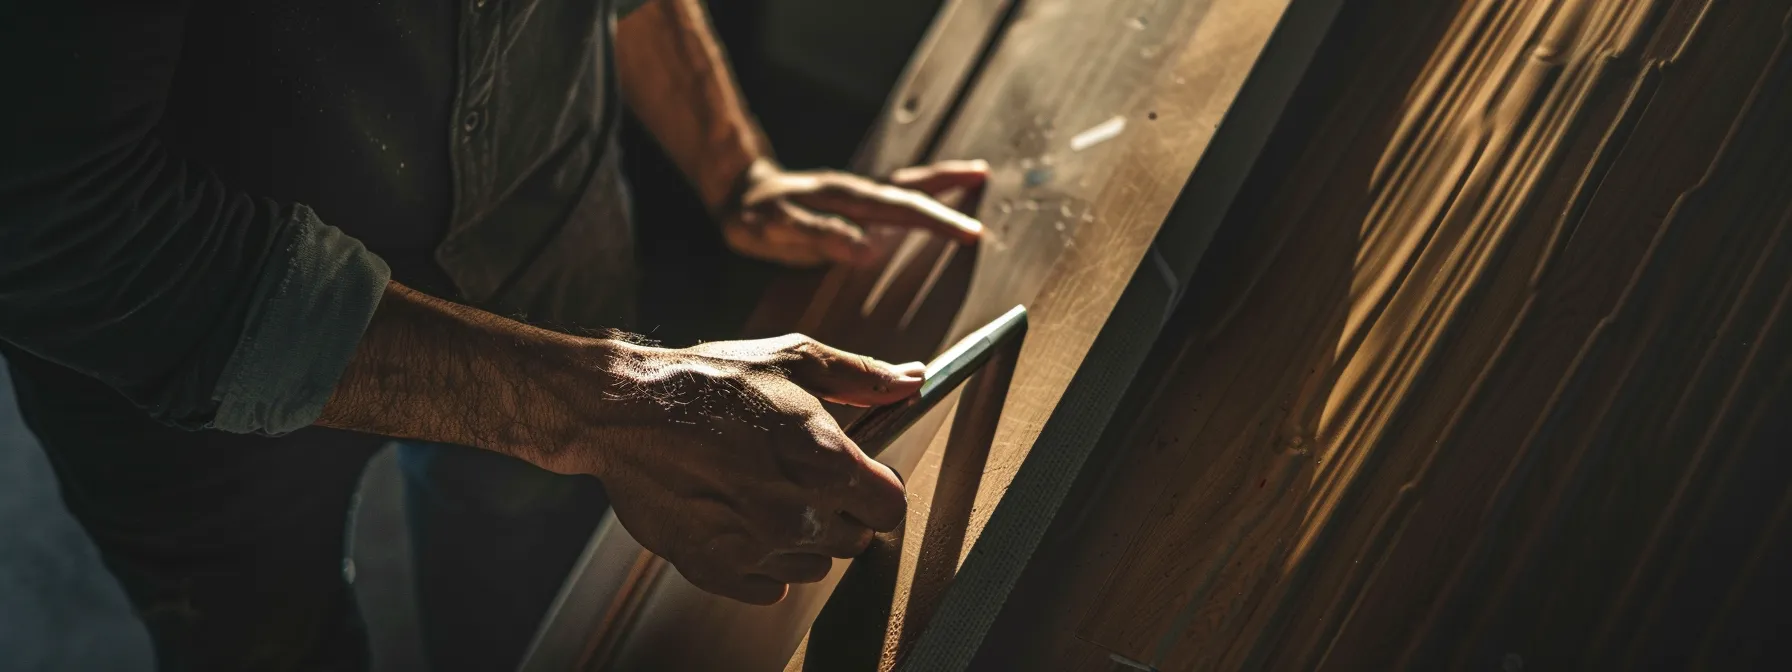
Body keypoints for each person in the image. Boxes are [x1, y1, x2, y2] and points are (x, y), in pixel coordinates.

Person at [0, 0, 988, 669]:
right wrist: (602, 403)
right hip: (182, 359)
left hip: (545, 235)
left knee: (538, 616)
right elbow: (57, 224)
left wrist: (731, 164)